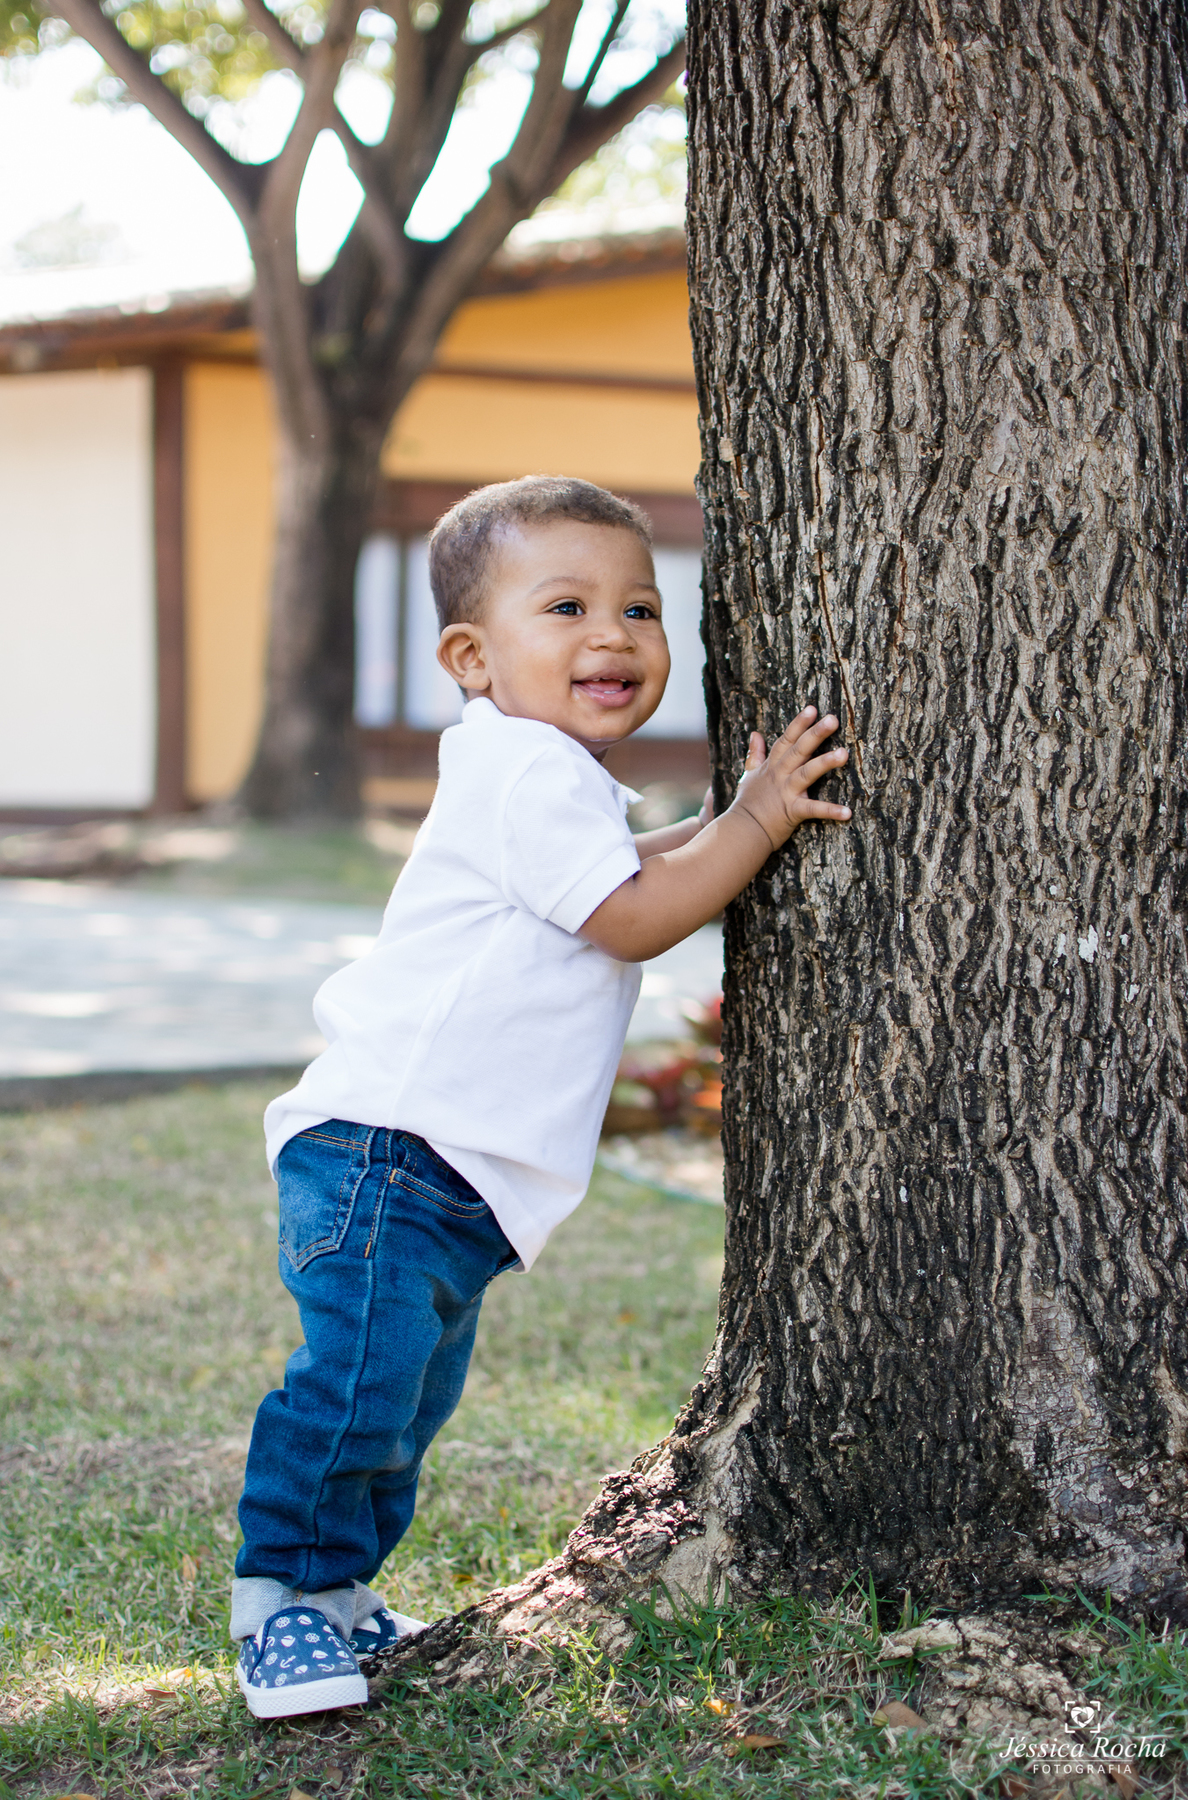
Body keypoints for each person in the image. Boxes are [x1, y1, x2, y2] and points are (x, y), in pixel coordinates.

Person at [231, 475, 852, 1718]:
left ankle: (338, 1593)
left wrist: (717, 824)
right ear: (472, 657)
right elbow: (630, 918)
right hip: (392, 1152)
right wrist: (757, 819)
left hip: (443, 1171)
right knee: (357, 1391)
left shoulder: (536, 773)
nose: (612, 634)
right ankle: (281, 1600)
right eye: (565, 607)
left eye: (640, 608)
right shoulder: (527, 769)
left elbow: (621, 869)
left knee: (403, 1403)